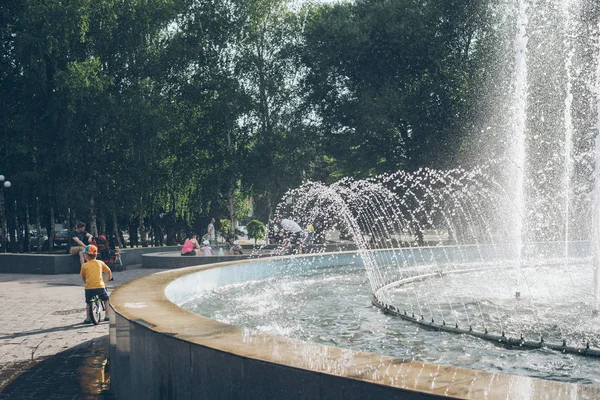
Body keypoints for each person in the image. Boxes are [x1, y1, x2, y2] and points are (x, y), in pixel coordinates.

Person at [80, 245, 111, 324]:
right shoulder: (100, 263)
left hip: (89, 288)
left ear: (86, 256)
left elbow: (83, 276)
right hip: (100, 286)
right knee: (106, 299)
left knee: (88, 302)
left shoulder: (84, 265)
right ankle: (107, 315)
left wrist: (86, 283)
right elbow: (108, 272)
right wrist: (106, 281)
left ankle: (88, 317)